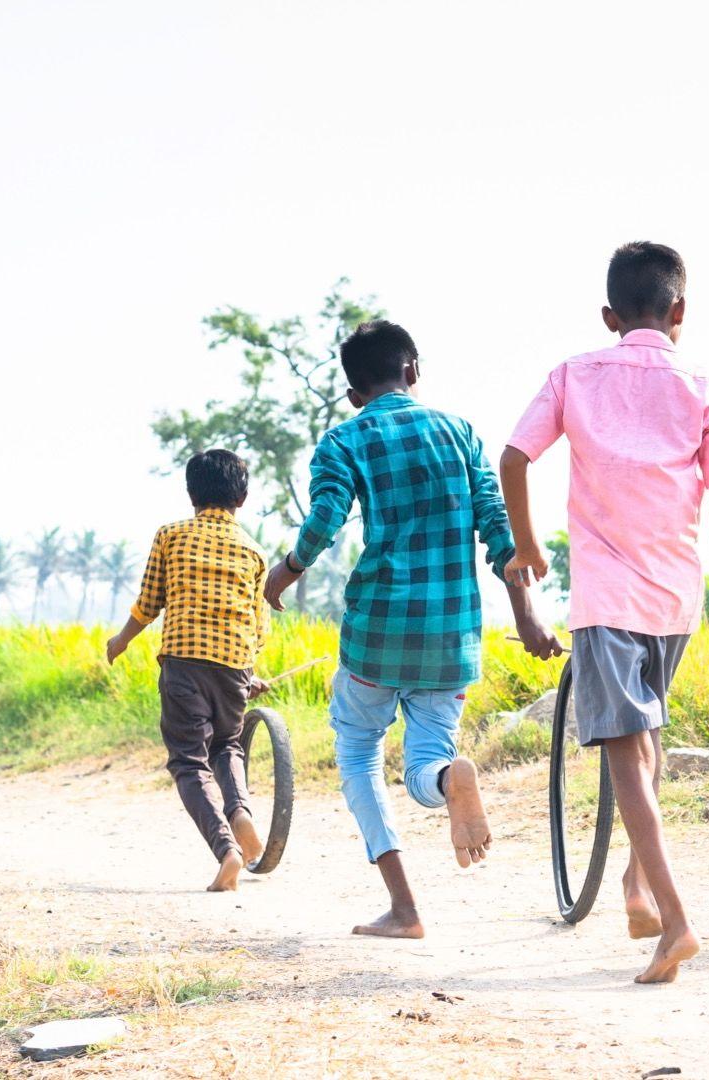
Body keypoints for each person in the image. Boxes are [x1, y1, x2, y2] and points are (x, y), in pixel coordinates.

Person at [499, 241, 709, 984]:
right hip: (674, 597)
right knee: (643, 739)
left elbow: (514, 458)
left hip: (607, 596)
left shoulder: (574, 373)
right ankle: (635, 884)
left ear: (610, 315)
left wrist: (527, 546)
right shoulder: (708, 388)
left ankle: (678, 921)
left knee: (626, 753)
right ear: (679, 311)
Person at [265, 319, 563, 940]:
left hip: (378, 630)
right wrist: (526, 613)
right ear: (414, 371)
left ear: (354, 394)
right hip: (452, 633)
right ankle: (448, 779)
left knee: (357, 752)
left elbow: (325, 516)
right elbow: (496, 522)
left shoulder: (345, 438)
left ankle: (404, 908)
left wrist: (287, 571)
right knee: (427, 757)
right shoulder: (458, 433)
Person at [105, 449, 272, 893]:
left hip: (183, 662)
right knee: (228, 746)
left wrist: (120, 641)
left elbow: (149, 602)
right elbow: (257, 625)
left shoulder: (171, 536)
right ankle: (240, 814)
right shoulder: (254, 551)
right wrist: (248, 673)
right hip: (234, 666)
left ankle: (227, 850)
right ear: (243, 497)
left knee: (188, 761)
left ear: (190, 493)